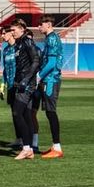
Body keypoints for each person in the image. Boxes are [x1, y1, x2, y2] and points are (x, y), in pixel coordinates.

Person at [10, 17, 40, 160]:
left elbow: (36, 61)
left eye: (14, 30)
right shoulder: (18, 43)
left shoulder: (27, 41)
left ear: (22, 29)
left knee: (17, 113)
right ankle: (29, 149)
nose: (12, 32)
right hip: (21, 82)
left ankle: (27, 147)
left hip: (26, 84)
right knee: (26, 115)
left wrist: (26, 79)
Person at [37, 15, 64, 158]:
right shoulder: (50, 38)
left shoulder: (52, 38)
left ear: (48, 24)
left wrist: (39, 75)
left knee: (51, 112)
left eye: (40, 24)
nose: (38, 27)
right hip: (49, 79)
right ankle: (55, 145)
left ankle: (57, 147)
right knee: (49, 111)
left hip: (51, 80)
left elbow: (52, 63)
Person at [0, 26, 21, 147]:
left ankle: (28, 141)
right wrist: (3, 84)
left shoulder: (18, 48)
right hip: (10, 86)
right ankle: (19, 138)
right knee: (14, 113)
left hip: (19, 85)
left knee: (21, 113)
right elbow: (5, 70)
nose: (2, 36)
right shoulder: (6, 50)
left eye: (4, 33)